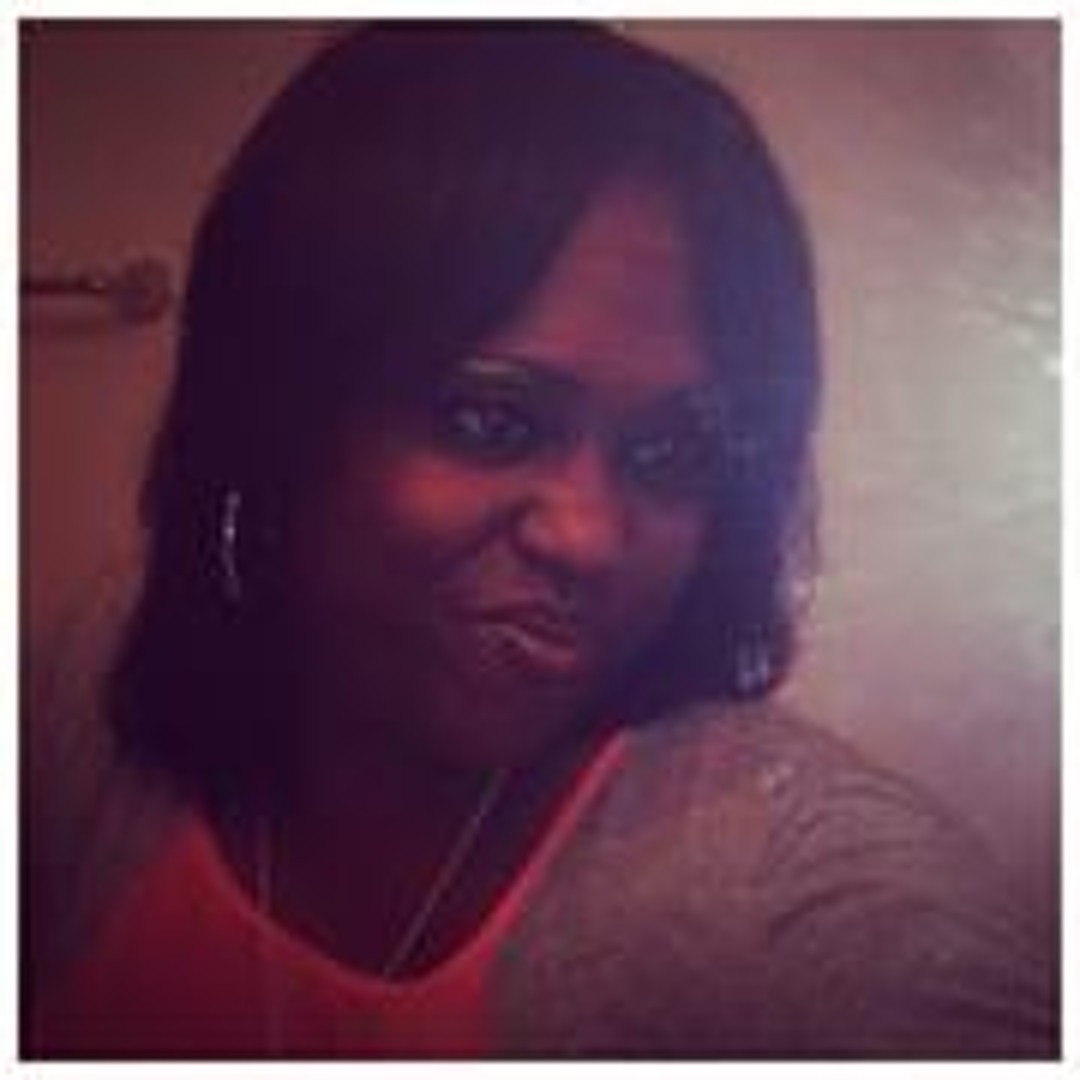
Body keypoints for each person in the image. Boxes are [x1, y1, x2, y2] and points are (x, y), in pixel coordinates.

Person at [25, 22, 1057, 1058]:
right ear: (277, 412)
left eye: (670, 452)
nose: (591, 538)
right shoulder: (79, 694)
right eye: (491, 421)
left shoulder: (787, 892)